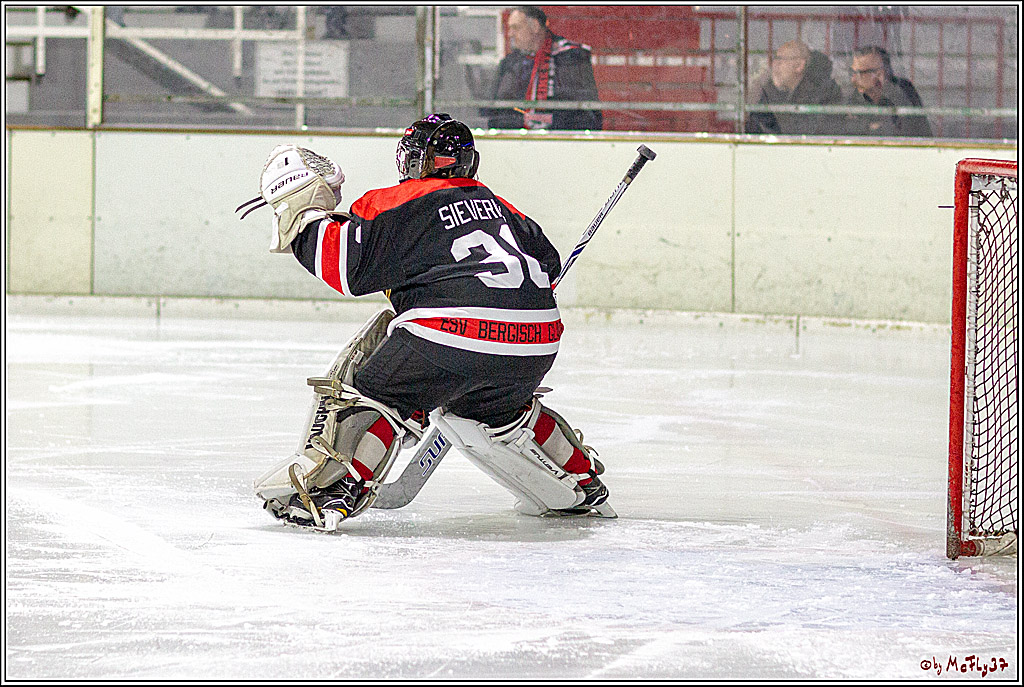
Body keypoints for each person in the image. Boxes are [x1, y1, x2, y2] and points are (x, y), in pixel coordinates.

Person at [245, 113, 614, 531]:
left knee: (374, 389)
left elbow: (343, 266)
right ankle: (583, 479)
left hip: (448, 335)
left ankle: (334, 490)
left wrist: (301, 208)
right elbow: (548, 266)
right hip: (535, 342)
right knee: (501, 409)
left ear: (415, 161)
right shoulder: (506, 208)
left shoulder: (395, 201)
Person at [484, 6, 602, 131]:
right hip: (518, 141)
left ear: (535, 26)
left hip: (562, 140)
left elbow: (585, 114)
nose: (510, 34)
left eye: (516, 28)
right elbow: (494, 111)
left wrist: (547, 121)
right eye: (509, 28)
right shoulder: (510, 63)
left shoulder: (570, 57)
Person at [746, 40, 844, 136]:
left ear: (799, 66)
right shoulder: (777, 90)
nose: (775, 65)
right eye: (775, 59)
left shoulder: (819, 94)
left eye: (780, 59)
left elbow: (795, 131)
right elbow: (754, 124)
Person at [845, 45, 932, 137]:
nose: (853, 79)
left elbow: (912, 132)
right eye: (852, 72)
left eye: (859, 73)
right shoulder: (856, 97)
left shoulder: (902, 92)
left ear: (879, 74)